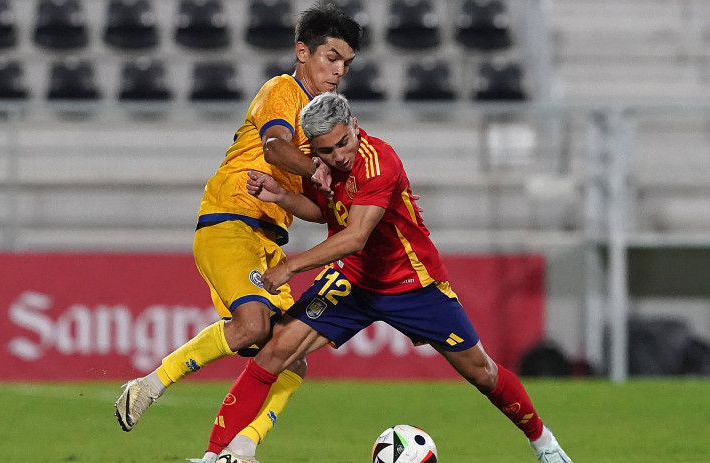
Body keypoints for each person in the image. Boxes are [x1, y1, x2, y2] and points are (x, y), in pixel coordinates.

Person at [206, 93, 574, 463]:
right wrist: (283, 195)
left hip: (412, 284)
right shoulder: (321, 163)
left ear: (354, 126)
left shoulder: (379, 161)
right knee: (274, 351)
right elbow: (326, 212)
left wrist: (290, 266)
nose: (337, 155)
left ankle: (544, 443)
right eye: (326, 150)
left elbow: (353, 237)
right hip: (353, 280)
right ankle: (214, 455)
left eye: (342, 143)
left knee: (482, 373)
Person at [113, 3, 362, 462]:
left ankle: (240, 450)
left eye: (346, 62)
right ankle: (149, 385)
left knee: (293, 357)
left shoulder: (321, 130)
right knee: (253, 327)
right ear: (302, 52)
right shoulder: (283, 90)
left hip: (267, 240)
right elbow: (274, 147)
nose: (339, 70)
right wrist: (316, 167)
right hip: (228, 221)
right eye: (331, 57)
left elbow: (313, 207)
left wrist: (302, 195)